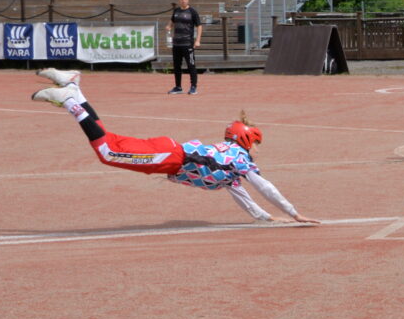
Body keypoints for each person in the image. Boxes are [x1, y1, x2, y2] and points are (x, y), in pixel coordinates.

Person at [30, 68, 320, 224]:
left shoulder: (230, 166)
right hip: (170, 157)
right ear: (246, 139)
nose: (257, 150)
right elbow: (265, 188)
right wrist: (295, 213)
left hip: (169, 152)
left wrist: (267, 219)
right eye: (256, 143)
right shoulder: (241, 160)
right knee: (107, 151)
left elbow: (243, 197)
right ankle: (70, 101)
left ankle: (75, 88)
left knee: (109, 139)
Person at [165, 0, 202, 95]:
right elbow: (172, 21)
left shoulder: (192, 12)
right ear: (179, 0)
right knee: (176, 66)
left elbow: (199, 26)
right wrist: (169, 26)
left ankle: (193, 87)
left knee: (191, 65)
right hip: (176, 44)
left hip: (187, 43)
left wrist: (197, 40)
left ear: (188, 0)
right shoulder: (176, 11)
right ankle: (178, 87)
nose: (183, 1)